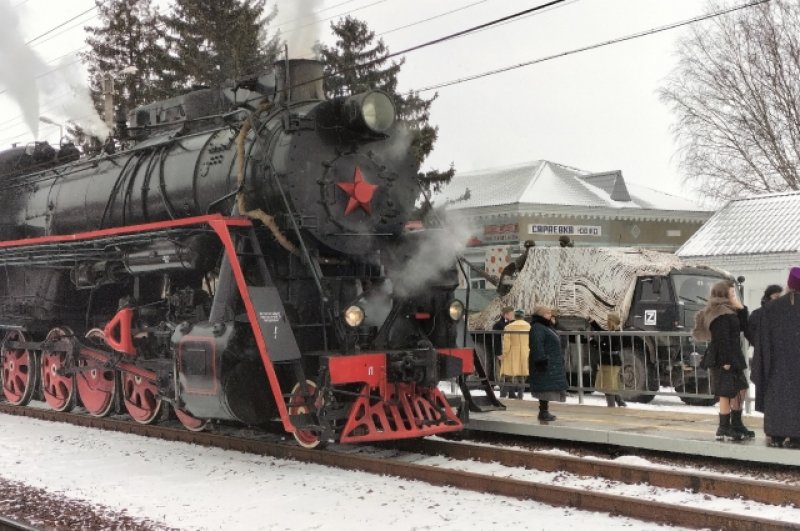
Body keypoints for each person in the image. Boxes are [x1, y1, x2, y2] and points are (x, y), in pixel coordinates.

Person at [692, 280, 751, 441]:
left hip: (733, 355)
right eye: (731, 294)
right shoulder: (719, 313)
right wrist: (726, 361)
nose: (733, 296)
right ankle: (723, 427)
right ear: (722, 295)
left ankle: (736, 424)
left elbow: (744, 327)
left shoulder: (730, 310)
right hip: (723, 357)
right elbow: (721, 338)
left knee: (740, 388)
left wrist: (741, 308)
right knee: (726, 392)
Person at [756, 267, 800, 448]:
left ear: (789, 284)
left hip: (777, 366)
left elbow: (763, 340)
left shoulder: (772, 308)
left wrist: (762, 365)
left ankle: (776, 434)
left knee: (778, 396)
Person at [529, 304, 567, 421]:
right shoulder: (538, 327)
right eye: (547, 313)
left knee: (546, 387)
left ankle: (544, 411)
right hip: (544, 362)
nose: (550, 315)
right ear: (541, 314)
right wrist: (541, 360)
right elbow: (537, 345)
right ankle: (543, 412)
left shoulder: (546, 326)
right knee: (544, 388)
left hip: (550, 362)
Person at [748, 284, 782, 415]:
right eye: (775, 296)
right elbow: (750, 331)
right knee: (767, 391)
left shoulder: (783, 312)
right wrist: (761, 344)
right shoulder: (760, 314)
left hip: (778, 358)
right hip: (765, 357)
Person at [594, 312, 626, 407]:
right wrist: (592, 322)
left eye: (608, 320)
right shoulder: (614, 332)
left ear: (612, 322)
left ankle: (611, 407)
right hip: (610, 361)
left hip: (610, 362)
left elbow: (605, 347)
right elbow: (600, 331)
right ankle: (620, 402)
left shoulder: (615, 334)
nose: (606, 322)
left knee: (608, 386)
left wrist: (593, 342)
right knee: (610, 384)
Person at [499, 309, 530, 400]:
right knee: (521, 376)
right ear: (523, 316)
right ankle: (520, 396)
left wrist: (504, 354)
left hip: (512, 353)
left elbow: (506, 343)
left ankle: (503, 395)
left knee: (508, 375)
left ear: (515, 316)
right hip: (525, 352)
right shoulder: (528, 326)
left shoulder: (509, 327)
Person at [492, 306, 515, 397]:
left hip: (510, 351)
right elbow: (496, 340)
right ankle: (503, 392)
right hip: (502, 352)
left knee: (510, 371)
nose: (512, 316)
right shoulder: (498, 325)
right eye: (511, 314)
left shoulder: (513, 324)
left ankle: (511, 392)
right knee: (502, 372)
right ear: (505, 314)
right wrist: (498, 353)